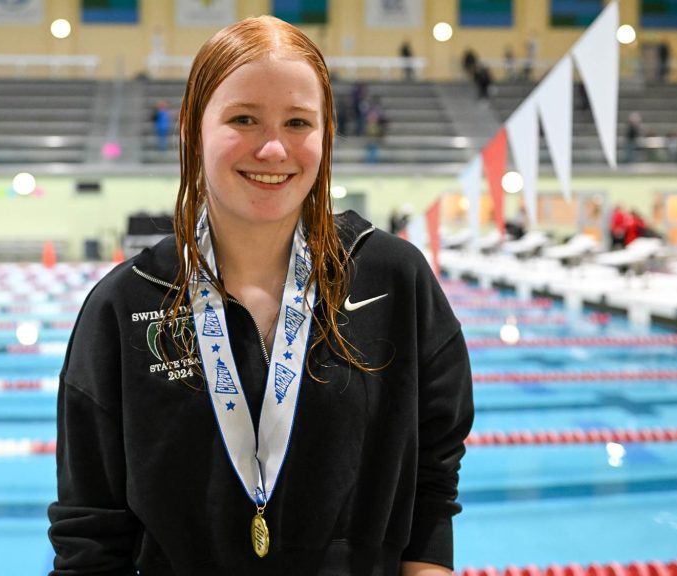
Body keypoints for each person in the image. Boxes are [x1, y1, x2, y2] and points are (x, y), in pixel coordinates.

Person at [48, 15, 474, 576]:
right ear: (192, 130)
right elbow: (90, 535)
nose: (273, 148)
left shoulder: (393, 280)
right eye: (243, 119)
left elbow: (433, 481)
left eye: (298, 122)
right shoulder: (123, 307)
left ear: (326, 134)